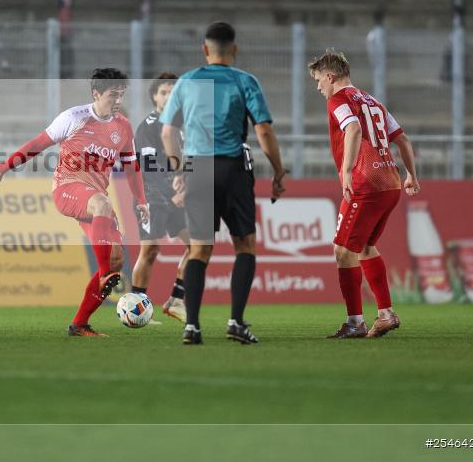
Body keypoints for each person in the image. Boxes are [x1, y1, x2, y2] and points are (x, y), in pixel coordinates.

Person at [0, 68, 149, 337]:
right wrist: (1, 170)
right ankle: (106, 273)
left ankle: (80, 324)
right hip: (67, 189)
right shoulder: (74, 118)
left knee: (117, 258)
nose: (118, 100)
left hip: (96, 198)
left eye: (121, 94)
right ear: (96, 94)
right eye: (112, 95)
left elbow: (132, 168)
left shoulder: (123, 127)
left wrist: (141, 200)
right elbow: (36, 145)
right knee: (102, 208)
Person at [160, 22, 286, 346]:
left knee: (200, 249)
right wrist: (279, 171)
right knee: (245, 245)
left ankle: (192, 326)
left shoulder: (186, 82)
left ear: (205, 49)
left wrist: (178, 170)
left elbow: (167, 133)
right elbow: (264, 132)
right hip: (233, 168)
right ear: (235, 49)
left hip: (197, 170)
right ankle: (236, 322)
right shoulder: (245, 81)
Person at [309, 50, 420, 339]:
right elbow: (403, 139)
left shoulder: (338, 100)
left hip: (366, 183)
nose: (318, 86)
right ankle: (385, 314)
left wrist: (346, 171)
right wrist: (411, 174)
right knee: (365, 247)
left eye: (319, 79)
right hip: (391, 183)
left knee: (343, 250)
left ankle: (355, 322)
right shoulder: (373, 101)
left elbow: (354, 129)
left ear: (330, 77)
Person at [130, 73, 190, 323]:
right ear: (155, 96)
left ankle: (176, 300)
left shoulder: (183, 126)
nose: (168, 96)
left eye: (173, 92)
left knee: (199, 246)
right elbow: (148, 168)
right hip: (152, 197)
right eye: (163, 92)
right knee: (151, 250)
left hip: (176, 196)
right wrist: (171, 195)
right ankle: (135, 307)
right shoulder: (148, 127)